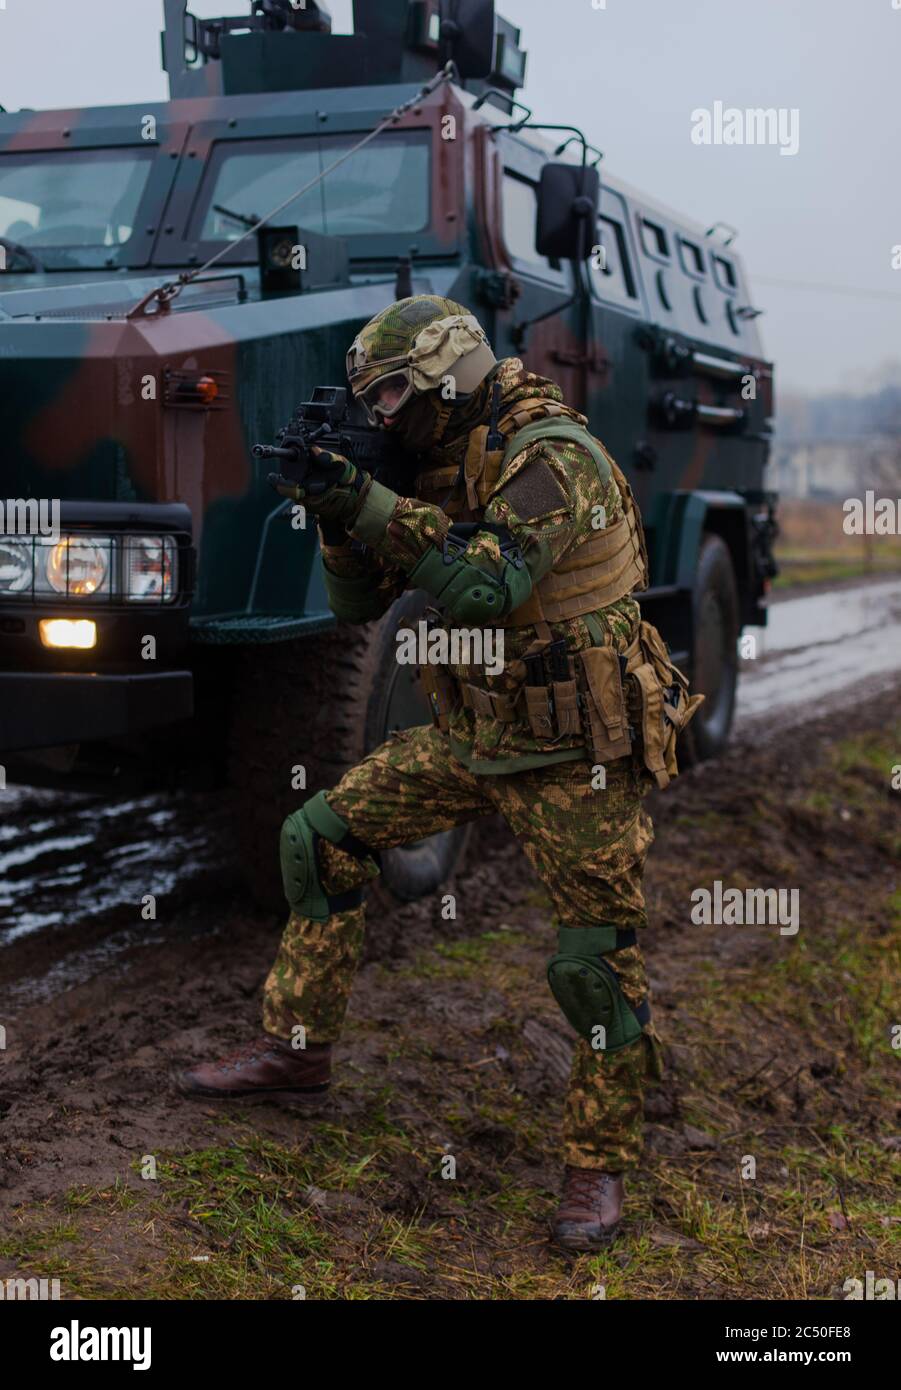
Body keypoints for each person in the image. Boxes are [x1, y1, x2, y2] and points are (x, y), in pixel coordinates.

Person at [178, 295, 701, 1250]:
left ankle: (596, 1168)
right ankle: (296, 1052)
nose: (381, 416)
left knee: (592, 963)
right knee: (320, 837)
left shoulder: (554, 458)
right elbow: (354, 603)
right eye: (369, 400)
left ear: (447, 378)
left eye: (391, 397)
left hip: (575, 751)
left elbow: (485, 584)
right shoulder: (431, 456)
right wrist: (339, 512)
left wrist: (372, 502)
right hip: (476, 731)